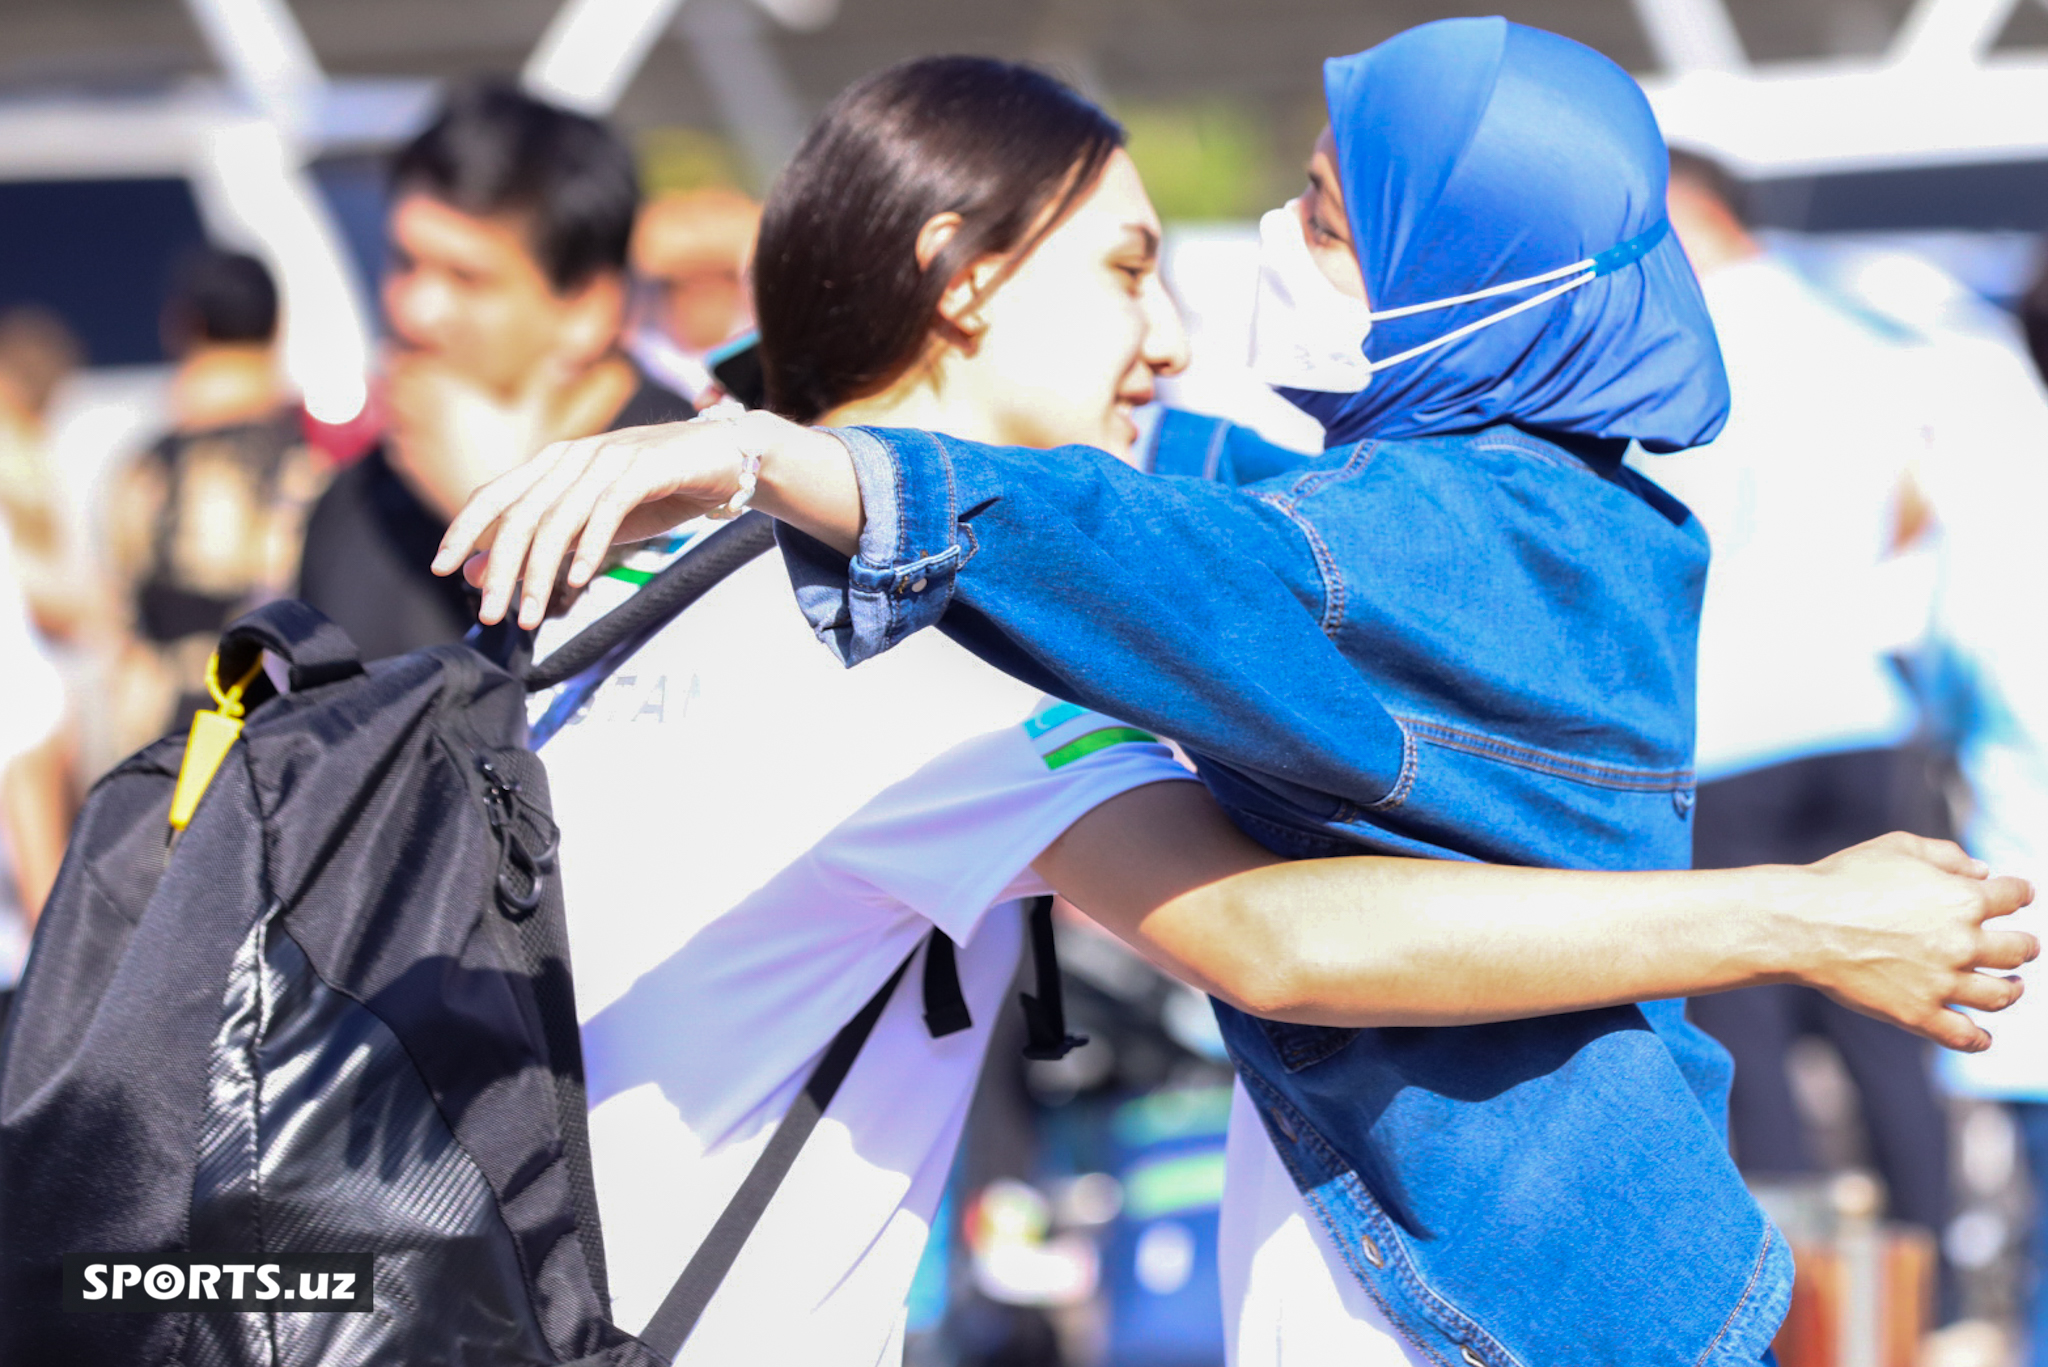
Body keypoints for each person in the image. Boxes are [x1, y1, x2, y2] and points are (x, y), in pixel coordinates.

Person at [444, 36, 2034, 1367]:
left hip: (1489, 1294)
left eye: (1326, 218)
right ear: (959, 283)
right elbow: (1257, 863)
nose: (1184, 325)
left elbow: (1187, 553)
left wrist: (772, 436)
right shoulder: (910, 631)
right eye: (1134, 268)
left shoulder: (1415, 545)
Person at [1652, 148, 1964, 1315]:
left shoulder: (1670, 356)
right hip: (1866, 717)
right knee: (1899, 1039)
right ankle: (1930, 1312)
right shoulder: (1858, 333)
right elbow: (1918, 514)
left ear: (1689, 215)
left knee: (1749, 1045)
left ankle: (1813, 1320)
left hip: (1724, 731)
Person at [297, 78, 692, 662]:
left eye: (468, 279)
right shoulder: (353, 501)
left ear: (587, 307)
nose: (414, 311)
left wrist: (490, 510)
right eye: (405, 261)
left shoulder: (685, 483)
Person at [102, 250, 326, 757]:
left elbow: (117, 618)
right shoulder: (306, 465)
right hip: (280, 736)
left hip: (159, 741)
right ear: (277, 325)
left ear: (183, 326)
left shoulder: (145, 471)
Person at [628, 186, 761, 405]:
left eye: (717, 277)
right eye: (687, 282)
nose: (703, 294)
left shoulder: (763, 350)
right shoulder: (638, 351)